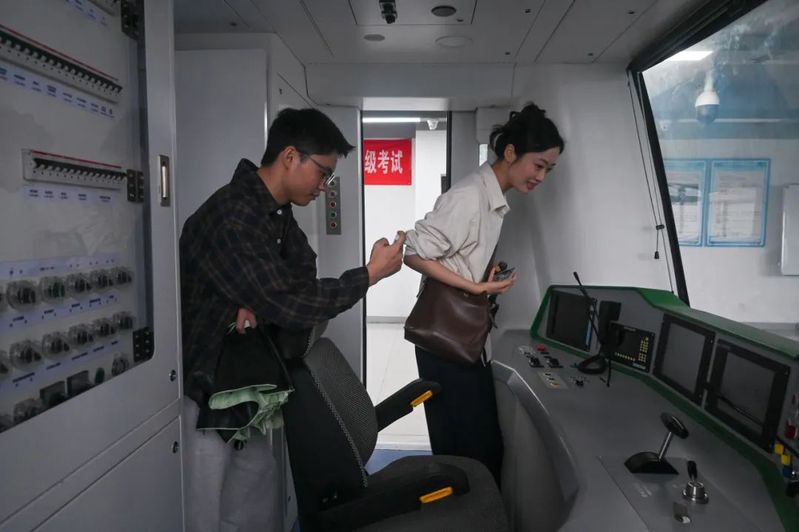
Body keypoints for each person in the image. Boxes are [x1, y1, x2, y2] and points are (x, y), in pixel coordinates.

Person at [179, 107, 406, 532]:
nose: (324, 186)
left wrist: (256, 298)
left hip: (244, 383)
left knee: (255, 500)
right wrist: (370, 275)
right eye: (322, 173)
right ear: (289, 156)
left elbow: (301, 276)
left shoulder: (276, 214)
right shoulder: (233, 214)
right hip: (206, 389)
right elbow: (290, 303)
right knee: (205, 513)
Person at [403, 103, 564, 485]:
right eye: (538, 165)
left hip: (459, 338)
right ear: (510, 153)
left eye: (549, 169)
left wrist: (478, 272)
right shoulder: (470, 196)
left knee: (472, 448)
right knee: (476, 451)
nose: (541, 176)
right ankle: (464, 511)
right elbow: (413, 253)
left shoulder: (491, 197)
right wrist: (474, 286)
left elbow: (455, 255)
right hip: (446, 342)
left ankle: (463, 509)